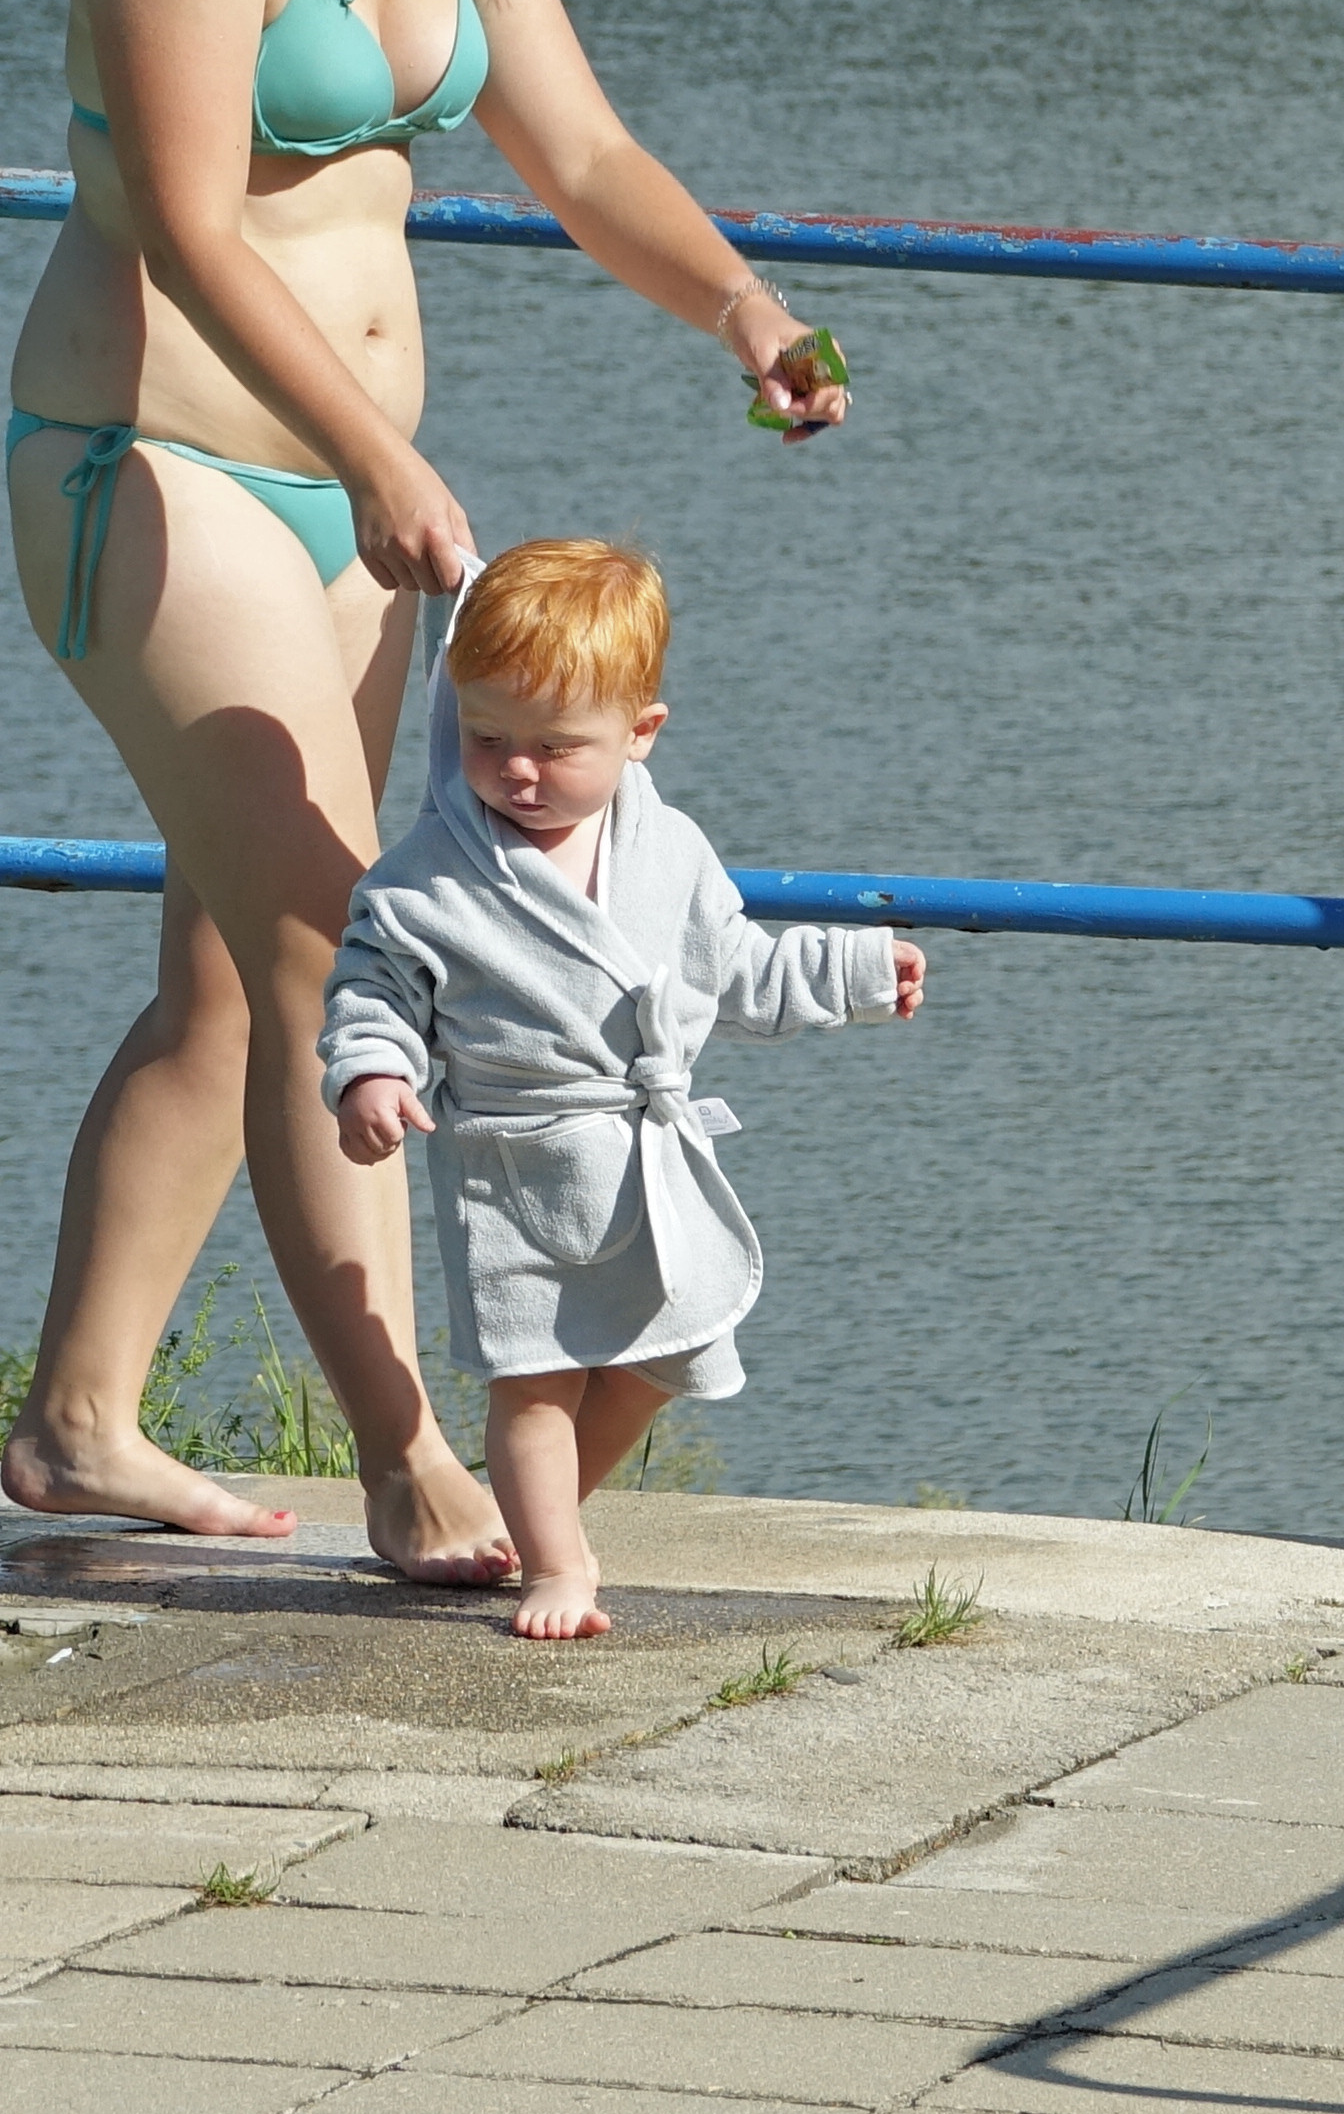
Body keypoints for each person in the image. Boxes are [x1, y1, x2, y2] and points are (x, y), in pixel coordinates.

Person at [0, 0, 852, 1584]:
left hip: (346, 495)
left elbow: (583, 158)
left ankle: (78, 1420)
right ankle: (409, 1458)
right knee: (341, 951)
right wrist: (374, 455)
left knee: (233, 972)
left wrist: (742, 309)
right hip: (158, 467)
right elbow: (191, 227)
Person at [323, 541, 926, 1638]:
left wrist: (852, 971)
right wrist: (371, 1067)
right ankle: (558, 1566)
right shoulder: (426, 877)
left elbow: (733, 972)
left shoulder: (670, 849)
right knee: (533, 1380)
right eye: (488, 738)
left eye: (555, 747)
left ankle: (537, 1518)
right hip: (513, 1164)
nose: (516, 771)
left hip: (646, 1156)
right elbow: (374, 984)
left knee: (668, 1357)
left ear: (639, 732)